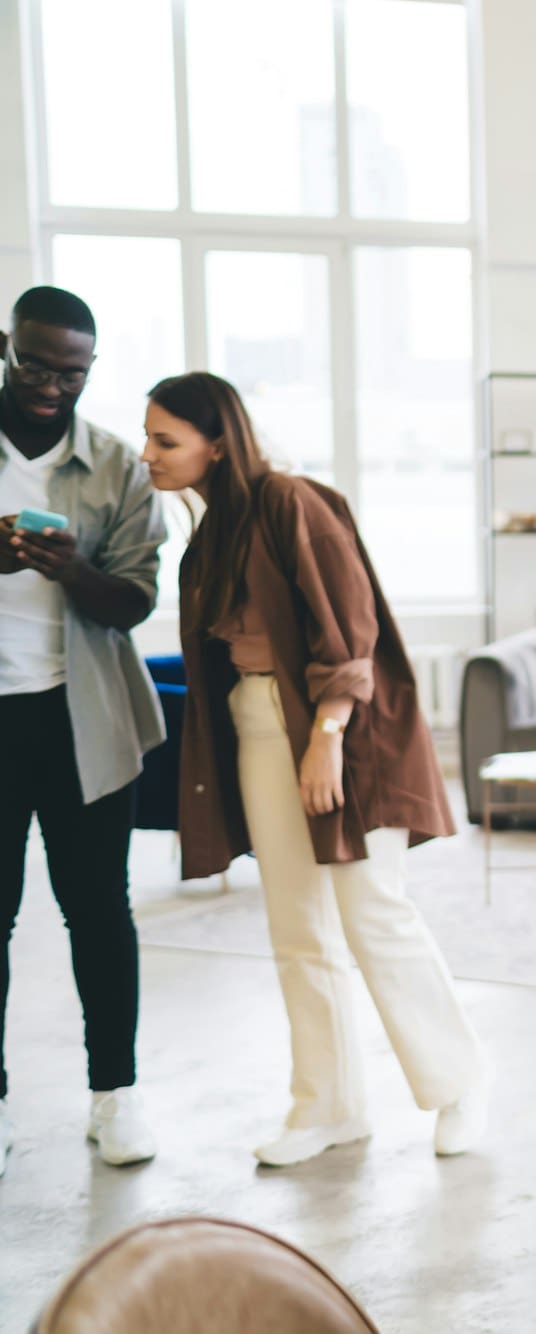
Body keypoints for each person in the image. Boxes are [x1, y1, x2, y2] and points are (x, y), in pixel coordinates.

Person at [142, 371, 487, 1167]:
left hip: (341, 730)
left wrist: (327, 733)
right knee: (298, 928)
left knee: (373, 910)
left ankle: (459, 1083)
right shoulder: (208, 538)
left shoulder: (293, 501)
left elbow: (350, 622)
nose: (149, 455)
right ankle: (328, 1107)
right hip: (258, 727)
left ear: (217, 443)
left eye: (166, 440)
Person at [0, 286, 165, 1174]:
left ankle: (117, 1098)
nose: (52, 386)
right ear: (7, 346)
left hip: (82, 720)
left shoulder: (113, 465)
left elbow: (136, 600)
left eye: (73, 371)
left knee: (98, 912)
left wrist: (73, 571)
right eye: (36, 364)